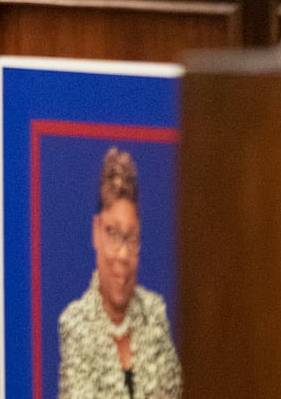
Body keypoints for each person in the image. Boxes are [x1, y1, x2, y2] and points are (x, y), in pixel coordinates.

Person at [57, 147, 181, 398]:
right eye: (113, 233)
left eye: (131, 237)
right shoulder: (75, 324)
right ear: (96, 232)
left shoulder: (155, 313)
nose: (123, 255)